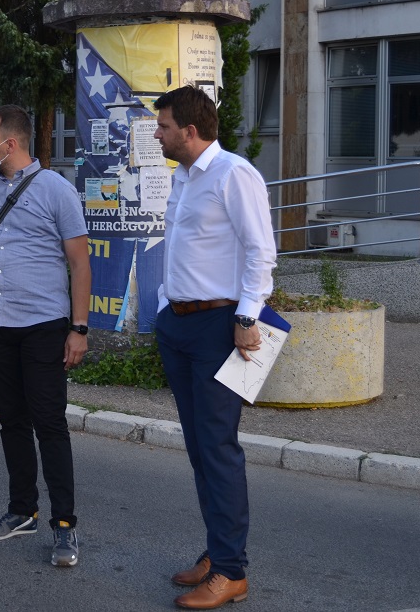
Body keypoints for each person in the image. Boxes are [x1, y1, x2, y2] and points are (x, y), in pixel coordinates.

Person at [0, 104, 91, 568]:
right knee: (12, 421)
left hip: (43, 326)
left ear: (11, 144)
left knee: (49, 424)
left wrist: (79, 328)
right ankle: (22, 510)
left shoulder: (56, 190)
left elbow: (80, 263)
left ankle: (64, 524)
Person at [152, 86, 276, 610]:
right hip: (179, 325)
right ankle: (217, 551)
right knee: (200, 448)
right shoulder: (182, 176)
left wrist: (246, 318)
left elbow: (261, 251)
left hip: (220, 327)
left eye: (163, 126)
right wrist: (165, 305)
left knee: (219, 448)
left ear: (189, 130)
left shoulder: (234, 174)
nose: (157, 134)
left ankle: (231, 572)